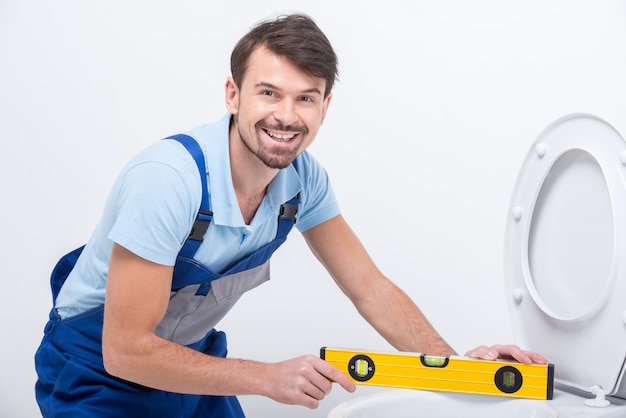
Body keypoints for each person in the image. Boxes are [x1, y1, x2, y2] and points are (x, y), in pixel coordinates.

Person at [34, 13, 546, 418]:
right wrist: (264, 377)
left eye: (305, 98)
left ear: (325, 108)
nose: (286, 115)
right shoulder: (170, 179)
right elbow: (124, 351)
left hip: (189, 362)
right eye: (269, 92)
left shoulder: (304, 181)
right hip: (96, 370)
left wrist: (460, 370)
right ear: (233, 95)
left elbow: (369, 287)